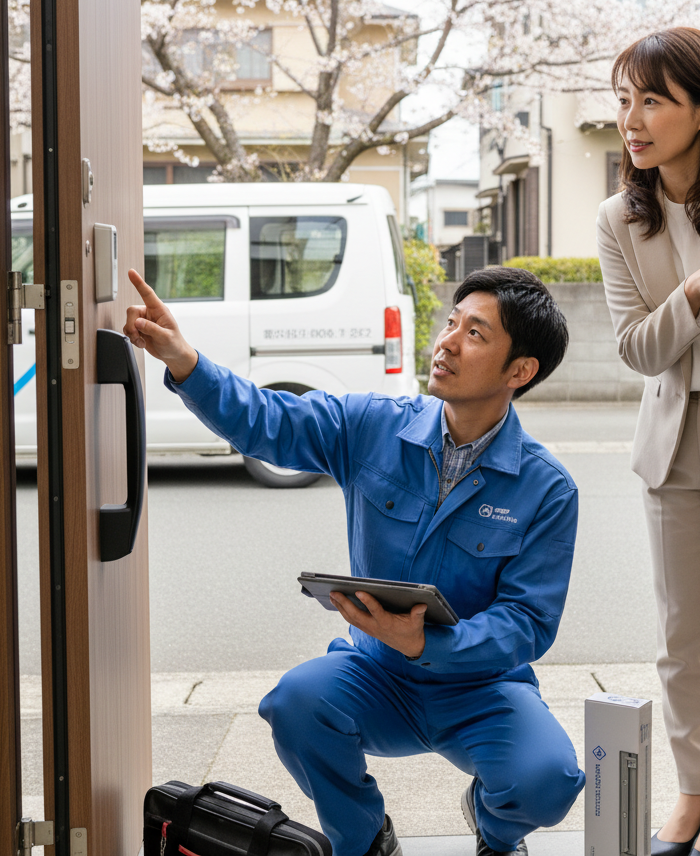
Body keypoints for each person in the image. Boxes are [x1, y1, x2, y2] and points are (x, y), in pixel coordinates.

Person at [124, 264, 584, 856]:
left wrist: (429, 643)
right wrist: (184, 361)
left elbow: (528, 621)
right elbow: (269, 422)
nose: (446, 342)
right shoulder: (373, 425)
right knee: (295, 703)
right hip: (375, 674)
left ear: (520, 371)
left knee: (548, 781)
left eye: (474, 333)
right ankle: (365, 839)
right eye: (451, 322)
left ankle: (494, 832)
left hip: (482, 689)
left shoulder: (548, 489)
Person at [596, 27, 700, 856]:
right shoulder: (619, 219)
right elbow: (636, 348)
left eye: (652, 101)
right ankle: (691, 791)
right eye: (624, 100)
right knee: (678, 642)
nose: (632, 120)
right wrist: (696, 291)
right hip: (670, 442)